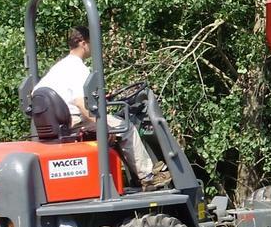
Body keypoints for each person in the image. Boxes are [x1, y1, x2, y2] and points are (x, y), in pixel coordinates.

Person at [34, 26, 171, 191]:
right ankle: (148, 176)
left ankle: (130, 179)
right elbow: (81, 103)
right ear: (84, 43)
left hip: (59, 124)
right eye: (92, 43)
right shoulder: (78, 68)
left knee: (116, 126)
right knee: (125, 127)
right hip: (74, 121)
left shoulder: (58, 68)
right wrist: (103, 127)